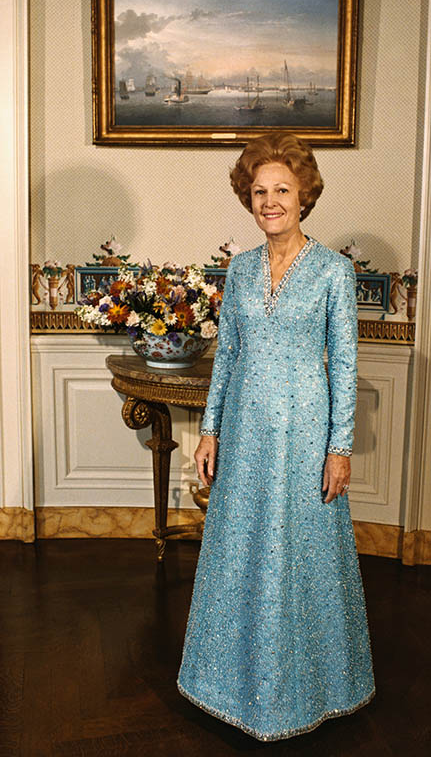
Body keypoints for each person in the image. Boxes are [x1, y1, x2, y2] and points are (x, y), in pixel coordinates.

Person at [177, 132, 376, 741]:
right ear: (249, 198)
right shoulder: (237, 270)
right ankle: (227, 683)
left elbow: (344, 364)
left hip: (305, 433)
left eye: (281, 190)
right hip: (243, 429)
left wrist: (339, 448)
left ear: (304, 195)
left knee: (302, 552)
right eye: (259, 191)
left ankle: (314, 688)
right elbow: (228, 355)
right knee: (240, 550)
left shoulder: (335, 271)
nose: (270, 202)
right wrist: (209, 430)